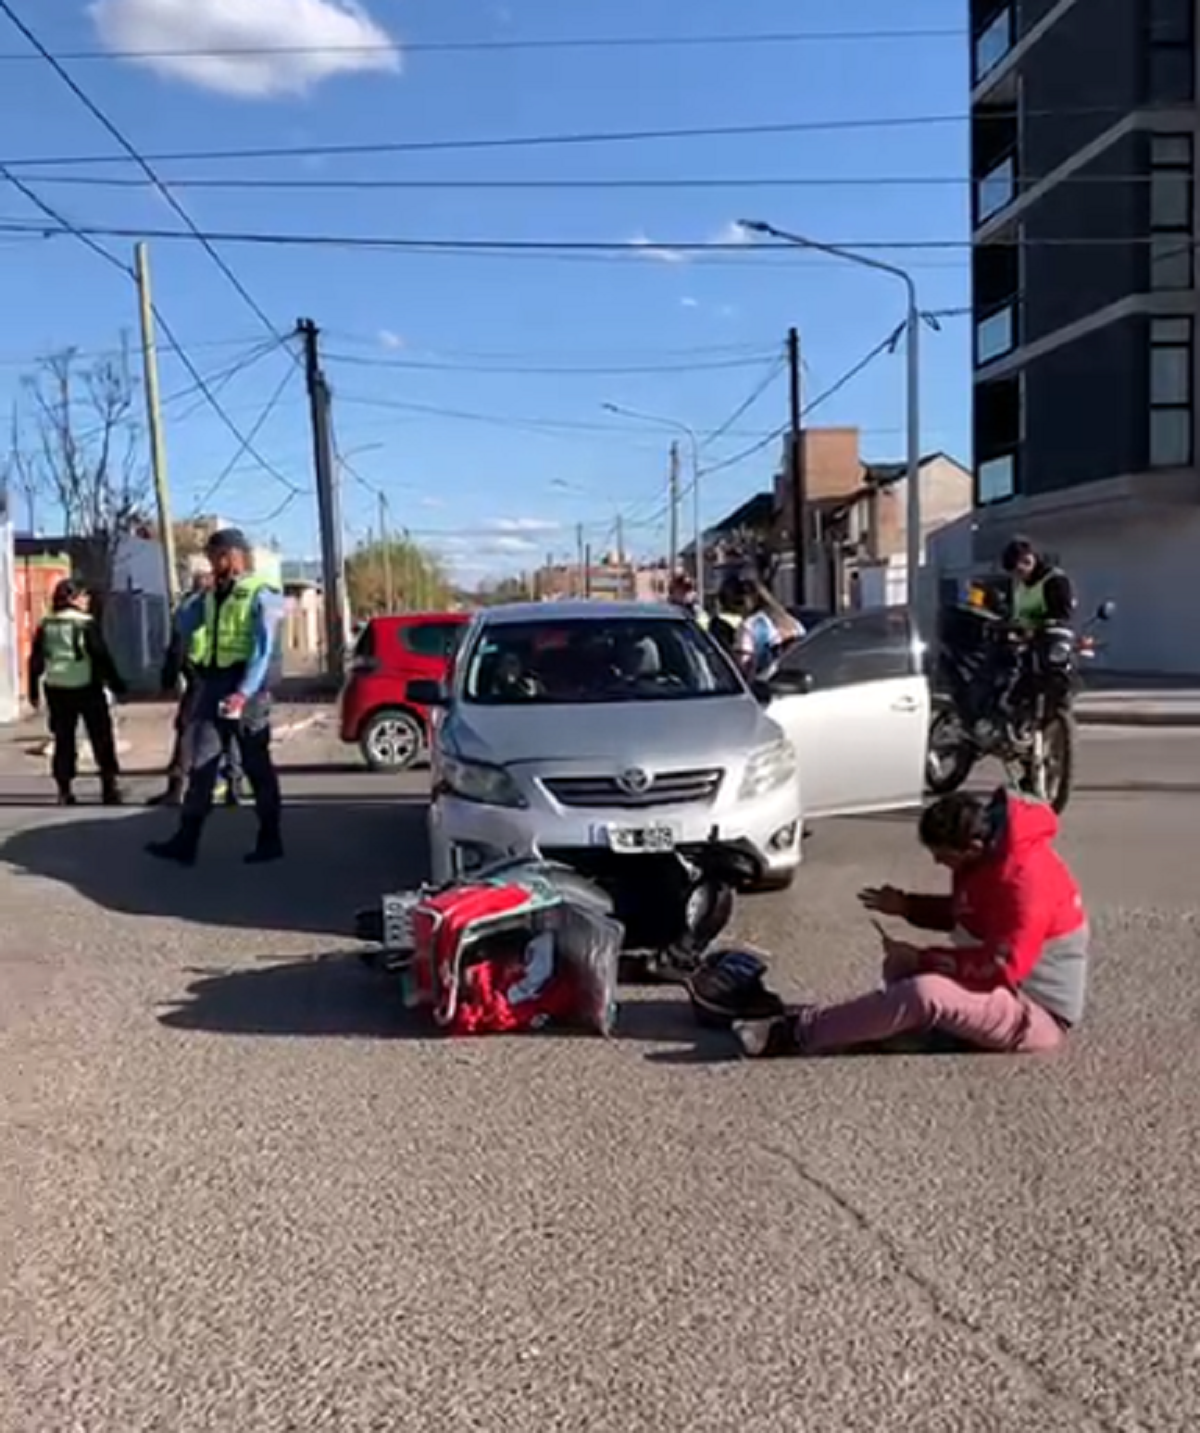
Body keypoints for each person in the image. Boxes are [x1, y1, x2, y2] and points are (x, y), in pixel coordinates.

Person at [736, 787, 1089, 1058]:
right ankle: (908, 1029)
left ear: (973, 846)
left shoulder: (1026, 880)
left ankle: (794, 1034)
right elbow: (971, 914)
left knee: (923, 992)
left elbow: (1002, 966)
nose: (938, 862)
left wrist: (923, 959)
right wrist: (907, 906)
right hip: (999, 990)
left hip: (1035, 1013)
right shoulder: (987, 861)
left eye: (943, 856)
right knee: (901, 971)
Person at [146, 529, 285, 867]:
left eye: (215, 555)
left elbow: (263, 649)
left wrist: (244, 692)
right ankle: (186, 840)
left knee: (256, 765)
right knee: (202, 762)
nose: (211, 562)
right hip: (213, 684)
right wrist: (196, 596)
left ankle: (270, 837)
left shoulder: (263, 594)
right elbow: (183, 624)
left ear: (233, 555)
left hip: (247, 689)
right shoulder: (211, 595)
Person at [148, 571, 245, 809]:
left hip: (199, 677)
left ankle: (178, 788)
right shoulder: (224, 606)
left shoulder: (188, 609)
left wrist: (167, 681)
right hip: (224, 674)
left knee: (187, 731)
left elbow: (176, 648)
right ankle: (233, 787)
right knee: (229, 728)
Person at [28, 579, 126, 806]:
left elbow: (35, 661)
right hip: (87, 686)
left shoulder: (46, 623)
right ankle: (108, 787)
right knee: (101, 737)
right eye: (83, 595)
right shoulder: (85, 623)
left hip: (57, 688)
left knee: (64, 739)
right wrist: (116, 683)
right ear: (73, 598)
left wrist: (33, 690)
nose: (87, 600)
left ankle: (64, 790)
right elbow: (100, 655)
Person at [712, 570, 803, 681]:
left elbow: (742, 666)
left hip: (764, 687)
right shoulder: (792, 622)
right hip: (795, 683)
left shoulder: (749, 627)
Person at [1000, 537, 1075, 631]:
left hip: (1051, 636)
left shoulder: (1054, 579)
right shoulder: (1016, 585)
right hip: (1022, 637)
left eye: (1026, 561)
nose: (1022, 566)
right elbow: (1010, 613)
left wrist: (1035, 623)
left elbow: (1062, 615)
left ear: (1034, 557)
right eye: (1016, 567)